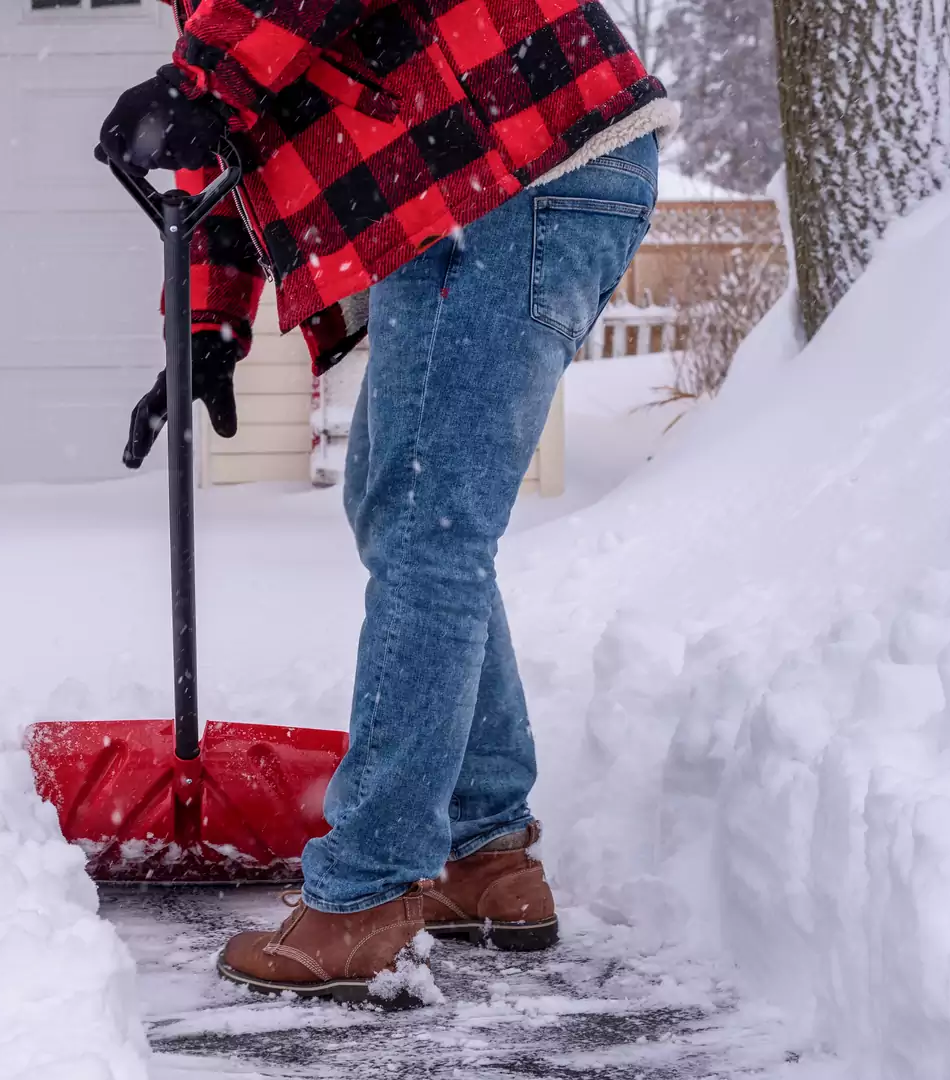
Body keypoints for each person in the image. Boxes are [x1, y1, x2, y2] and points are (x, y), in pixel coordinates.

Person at [98, 0, 678, 1003]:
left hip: (530, 152)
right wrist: (205, 324)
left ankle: (367, 892)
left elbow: (228, 80)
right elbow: (225, 140)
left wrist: (202, 79)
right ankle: (485, 855)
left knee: (433, 527)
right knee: (396, 507)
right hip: (449, 183)